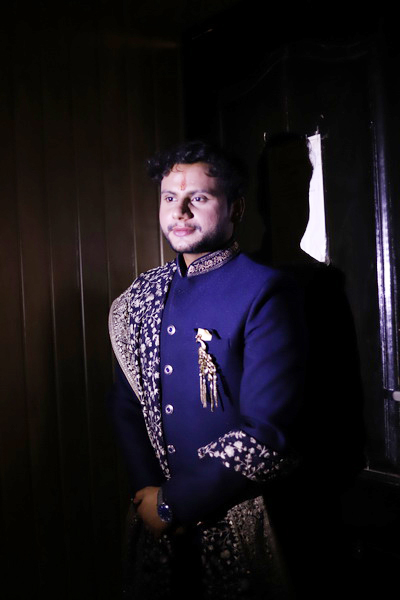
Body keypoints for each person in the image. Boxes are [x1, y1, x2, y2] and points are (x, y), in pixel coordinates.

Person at [107, 140, 307, 600]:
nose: (179, 211)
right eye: (169, 197)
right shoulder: (142, 295)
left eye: (198, 197)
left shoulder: (264, 291)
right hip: (156, 520)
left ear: (235, 207)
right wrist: (148, 494)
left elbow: (267, 433)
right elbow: (125, 402)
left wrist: (175, 503)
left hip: (239, 518)